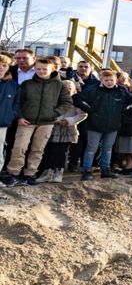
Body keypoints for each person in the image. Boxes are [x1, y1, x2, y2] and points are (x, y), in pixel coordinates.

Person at [1, 56, 73, 186]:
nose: (41, 71)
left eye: (45, 69)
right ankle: (13, 173)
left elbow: (67, 102)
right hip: (26, 121)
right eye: (38, 69)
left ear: (52, 69)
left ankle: (29, 174)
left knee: (38, 149)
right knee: (19, 148)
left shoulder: (59, 85)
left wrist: (54, 113)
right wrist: (20, 117)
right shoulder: (27, 84)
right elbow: (18, 102)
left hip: (47, 123)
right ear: (35, 69)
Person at [75, 69, 132, 181]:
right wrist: (90, 110)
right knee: (91, 148)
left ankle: (105, 170)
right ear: (102, 80)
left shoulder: (121, 91)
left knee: (107, 148)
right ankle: (87, 170)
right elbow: (77, 99)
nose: (109, 82)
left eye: (111, 80)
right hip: (95, 125)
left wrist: (124, 112)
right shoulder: (93, 89)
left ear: (116, 80)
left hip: (113, 125)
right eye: (106, 80)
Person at [36, 79, 86, 183]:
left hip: (67, 129)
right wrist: (55, 119)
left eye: (70, 89)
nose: (67, 91)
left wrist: (69, 121)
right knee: (50, 151)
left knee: (62, 152)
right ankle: (47, 173)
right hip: (52, 129)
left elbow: (82, 114)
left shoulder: (76, 102)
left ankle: (58, 173)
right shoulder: (53, 100)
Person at [0, 54, 17, 164]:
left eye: (4, 65)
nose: (1, 67)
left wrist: (9, 116)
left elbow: (17, 104)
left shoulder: (13, 85)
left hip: (1, 124)